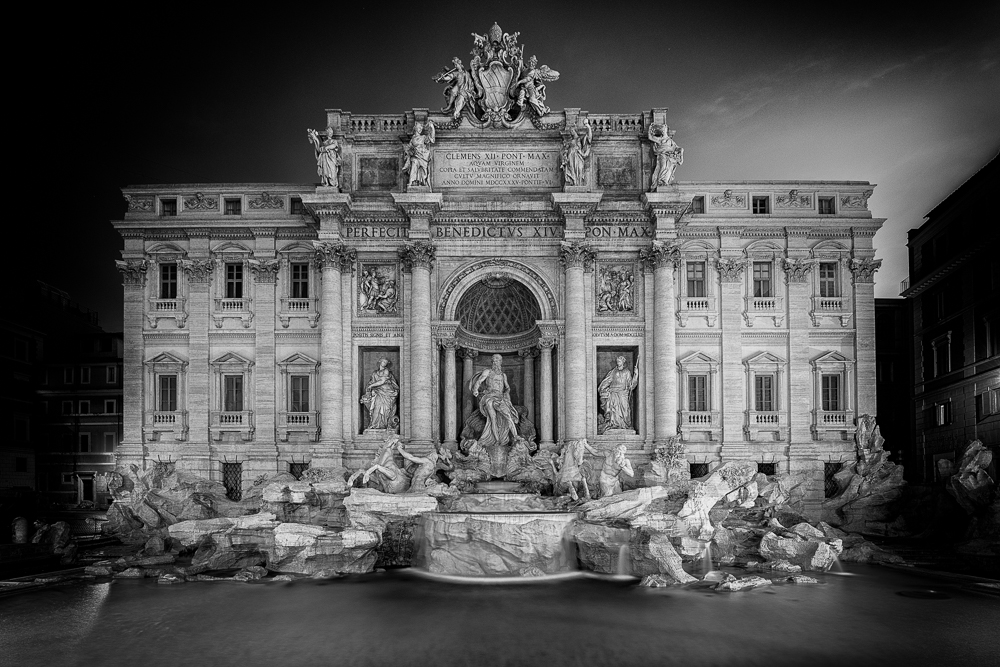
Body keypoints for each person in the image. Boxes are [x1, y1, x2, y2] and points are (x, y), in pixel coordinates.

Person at [469, 354, 520, 450]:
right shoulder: (487, 372)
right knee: (493, 419)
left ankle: (516, 436)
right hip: (489, 397)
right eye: (495, 361)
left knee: (508, 416)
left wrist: (507, 393)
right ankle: (497, 440)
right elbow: (480, 381)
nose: (496, 362)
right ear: (492, 362)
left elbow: (507, 387)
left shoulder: (503, 375)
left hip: (501, 398)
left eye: (498, 360)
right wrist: (475, 389)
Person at [597, 355, 639, 433]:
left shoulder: (627, 372)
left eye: (619, 361)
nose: (618, 362)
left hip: (623, 393)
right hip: (613, 393)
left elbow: (631, 385)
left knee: (625, 410)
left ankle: (624, 425)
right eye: (617, 361)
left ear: (623, 362)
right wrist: (602, 388)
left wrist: (636, 375)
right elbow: (607, 381)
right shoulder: (613, 372)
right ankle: (613, 425)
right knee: (614, 410)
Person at [360, 358, 399, 430]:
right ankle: (374, 424)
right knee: (376, 407)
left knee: (384, 409)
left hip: (387, 392)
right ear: (380, 362)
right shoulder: (375, 373)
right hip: (378, 391)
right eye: (383, 362)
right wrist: (369, 389)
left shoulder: (386, 371)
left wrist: (371, 386)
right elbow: (371, 382)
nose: (385, 363)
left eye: (386, 362)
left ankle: (381, 425)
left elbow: (382, 381)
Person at [648, 123, 683, 189]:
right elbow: (650, 137)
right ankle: (661, 181)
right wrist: (650, 128)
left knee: (667, 168)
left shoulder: (670, 141)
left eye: (664, 129)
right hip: (662, 155)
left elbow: (676, 148)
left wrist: (681, 150)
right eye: (662, 130)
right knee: (663, 166)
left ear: (666, 130)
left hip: (668, 156)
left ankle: (663, 181)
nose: (663, 131)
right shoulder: (659, 139)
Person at [403, 121, 435, 188]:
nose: (420, 129)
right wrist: (410, 152)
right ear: (415, 129)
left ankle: (423, 183)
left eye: (421, 128)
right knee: (414, 163)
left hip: (424, 157)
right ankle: (412, 182)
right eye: (419, 128)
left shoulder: (423, 137)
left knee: (425, 172)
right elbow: (408, 149)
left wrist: (432, 127)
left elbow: (431, 139)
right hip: (415, 156)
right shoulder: (412, 139)